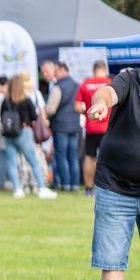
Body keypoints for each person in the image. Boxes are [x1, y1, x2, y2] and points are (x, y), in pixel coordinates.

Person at [86, 67, 140, 280]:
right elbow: (107, 92)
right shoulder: (130, 79)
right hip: (115, 183)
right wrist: (100, 104)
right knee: (112, 258)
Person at [2, 74, 56, 199]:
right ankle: (41, 187)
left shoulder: (5, 101)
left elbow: (2, 117)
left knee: (12, 162)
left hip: (9, 134)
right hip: (24, 132)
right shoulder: (26, 100)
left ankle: (17, 189)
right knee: (33, 161)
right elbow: (34, 117)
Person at [76, 60, 113, 197]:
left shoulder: (85, 84)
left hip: (91, 127)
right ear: (104, 69)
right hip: (107, 127)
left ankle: (88, 188)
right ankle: (108, 188)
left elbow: (78, 107)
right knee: (109, 158)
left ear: (94, 70)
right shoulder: (110, 83)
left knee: (89, 157)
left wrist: (88, 113)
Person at [46, 62, 80, 192]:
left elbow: (51, 108)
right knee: (73, 156)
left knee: (61, 155)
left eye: (56, 71)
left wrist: (45, 113)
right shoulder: (77, 85)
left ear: (62, 70)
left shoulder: (58, 86)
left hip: (61, 126)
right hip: (75, 125)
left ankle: (65, 184)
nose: (55, 74)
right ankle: (75, 184)